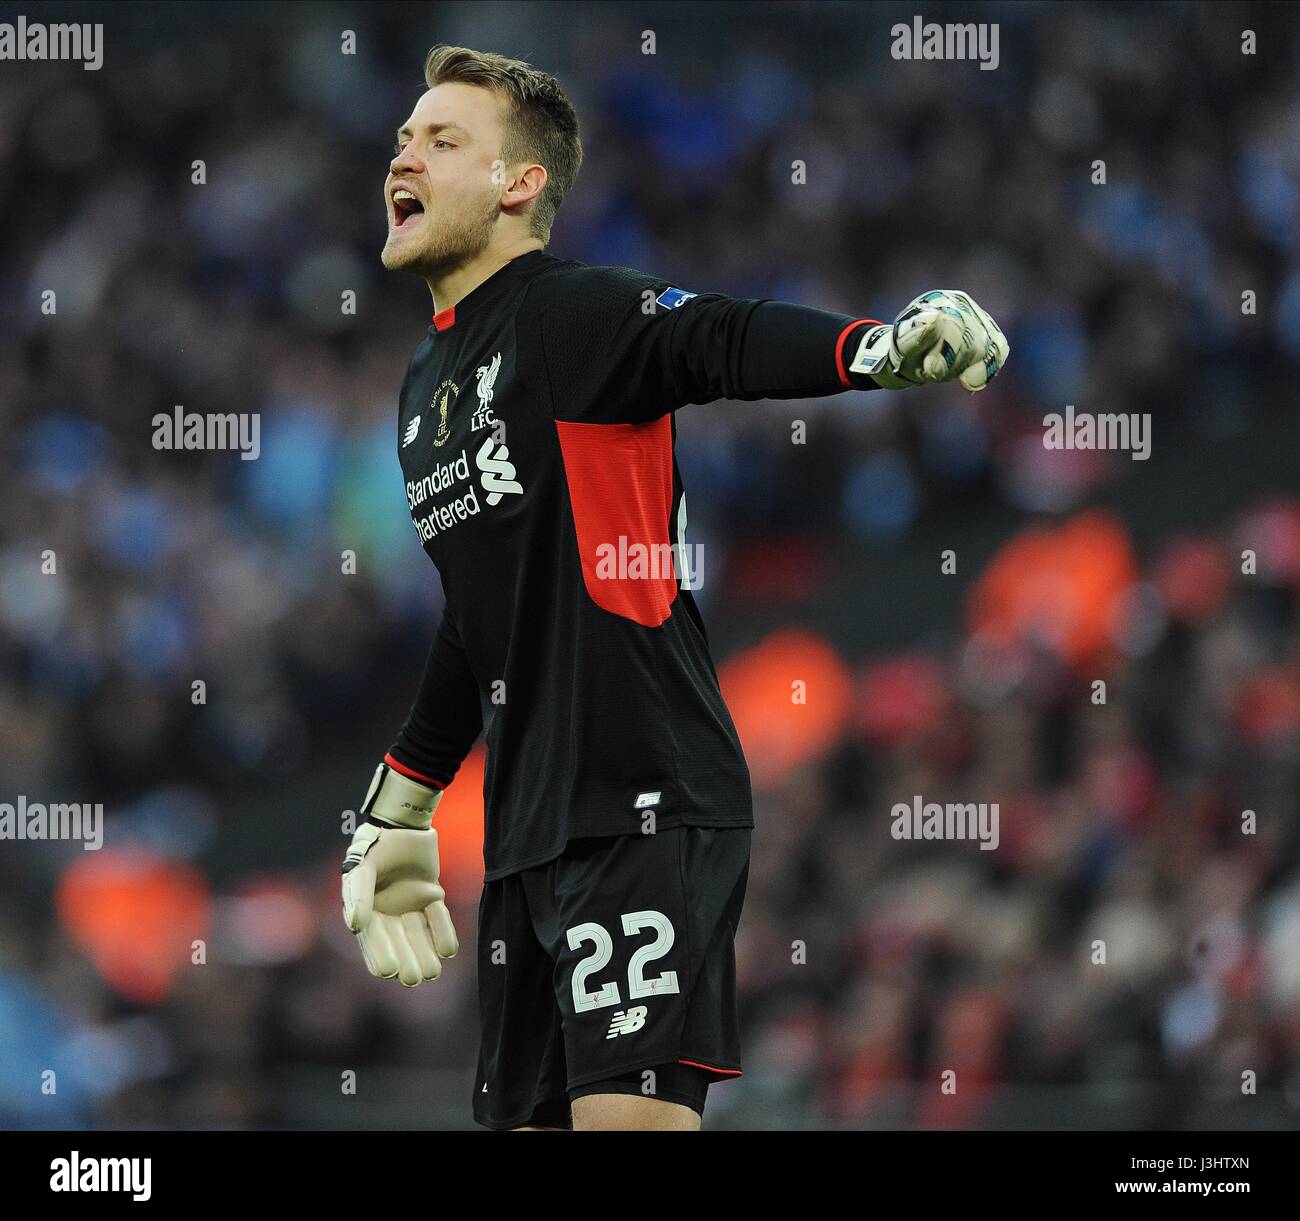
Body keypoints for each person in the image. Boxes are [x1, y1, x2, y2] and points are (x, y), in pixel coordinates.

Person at [339, 44, 1008, 1132]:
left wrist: (877, 350)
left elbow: (716, 338)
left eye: (442, 139)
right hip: (526, 834)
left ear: (520, 184)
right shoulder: (425, 388)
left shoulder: (569, 314)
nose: (402, 156)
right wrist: (402, 797)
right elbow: (479, 610)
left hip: (640, 796)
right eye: (405, 136)